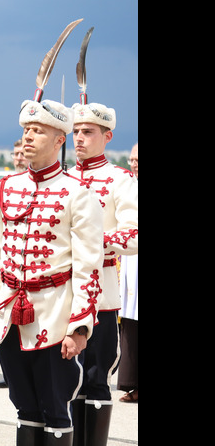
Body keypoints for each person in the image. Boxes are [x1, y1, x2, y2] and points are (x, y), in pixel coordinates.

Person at [0, 99, 104, 446]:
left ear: (59, 140)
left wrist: (79, 327)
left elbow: (87, 267)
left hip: (54, 315)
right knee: (24, 409)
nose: (29, 137)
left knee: (55, 408)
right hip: (12, 315)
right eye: (26, 131)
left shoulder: (78, 194)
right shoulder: (8, 187)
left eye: (38, 131)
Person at [67, 105, 138, 445]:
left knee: (96, 379)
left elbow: (134, 233)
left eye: (89, 132)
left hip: (101, 296)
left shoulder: (120, 180)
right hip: (60, 297)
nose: (79, 138)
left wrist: (93, 242)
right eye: (76, 131)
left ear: (107, 137)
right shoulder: (63, 178)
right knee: (64, 381)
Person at [0, 138, 28, 388]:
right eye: (15, 153)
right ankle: (11, 376)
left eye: (22, 153)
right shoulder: (6, 187)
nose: (18, 158)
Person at [117, 143, 138, 404]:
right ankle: (131, 383)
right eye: (132, 159)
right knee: (129, 324)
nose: (135, 163)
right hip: (129, 264)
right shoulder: (126, 187)